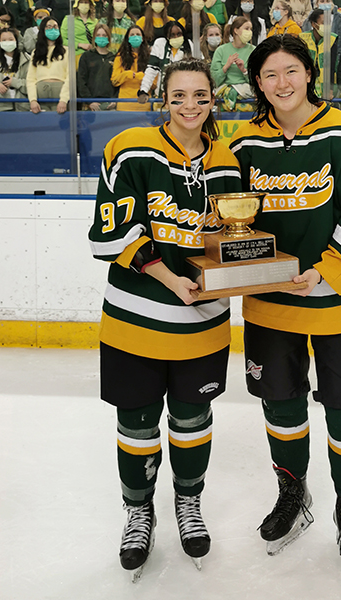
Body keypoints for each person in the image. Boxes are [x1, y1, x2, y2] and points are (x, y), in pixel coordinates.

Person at [229, 33, 341, 582]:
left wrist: (323, 270)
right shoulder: (244, 143)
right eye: (269, 74)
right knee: (281, 405)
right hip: (270, 305)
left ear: (309, 73)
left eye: (291, 71)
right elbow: (228, 221)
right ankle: (292, 496)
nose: (282, 83)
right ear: (256, 82)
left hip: (340, 300)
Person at [88, 57, 241, 579]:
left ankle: (188, 502)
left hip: (204, 322)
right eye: (179, 96)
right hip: (135, 321)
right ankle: (138, 510)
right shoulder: (130, 149)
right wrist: (171, 278)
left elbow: (232, 239)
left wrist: (234, 274)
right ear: (164, 98)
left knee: (191, 422)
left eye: (200, 96)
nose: (190, 105)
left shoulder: (228, 159)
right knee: (136, 425)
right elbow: (109, 235)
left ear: (213, 100)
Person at [138, 20, 192, 101]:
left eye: (179, 34)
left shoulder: (190, 45)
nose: (176, 37)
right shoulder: (160, 44)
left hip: (185, 96)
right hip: (162, 97)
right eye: (172, 35)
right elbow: (151, 70)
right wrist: (143, 90)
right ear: (167, 36)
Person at [26, 16, 70, 113]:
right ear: (42, 30)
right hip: (41, 95)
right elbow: (30, 79)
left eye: (55, 26)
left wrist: (64, 99)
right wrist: (32, 100)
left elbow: (70, 77)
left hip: (60, 93)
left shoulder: (67, 51)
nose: (52, 29)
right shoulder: (35, 52)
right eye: (48, 27)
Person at [0, 26, 30, 111]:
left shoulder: (27, 60)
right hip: (1, 107)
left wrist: (15, 82)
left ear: (16, 40)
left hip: (23, 107)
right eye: (3, 40)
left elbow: (33, 83)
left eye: (11, 39)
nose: (7, 42)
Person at [211, 15, 254, 109]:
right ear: (236, 30)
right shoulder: (220, 51)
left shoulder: (253, 51)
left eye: (251, 29)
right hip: (224, 88)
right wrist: (226, 67)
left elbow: (257, 81)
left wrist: (244, 71)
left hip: (246, 91)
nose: (250, 32)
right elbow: (214, 80)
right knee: (229, 92)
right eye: (246, 28)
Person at [78, 22, 118, 109]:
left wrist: (115, 100)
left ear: (109, 37)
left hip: (110, 104)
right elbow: (81, 81)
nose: (101, 37)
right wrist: (89, 101)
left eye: (104, 35)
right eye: (98, 35)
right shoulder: (86, 56)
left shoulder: (115, 58)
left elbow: (118, 81)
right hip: (90, 104)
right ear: (94, 37)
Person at [299, 8, 337, 98]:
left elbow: (332, 67)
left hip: (325, 85)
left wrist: (330, 90)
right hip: (306, 83)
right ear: (313, 24)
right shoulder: (302, 39)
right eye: (323, 23)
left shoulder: (333, 39)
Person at [111, 25, 151, 109]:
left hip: (144, 106)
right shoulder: (120, 57)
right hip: (124, 105)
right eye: (132, 35)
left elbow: (154, 82)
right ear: (128, 39)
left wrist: (138, 76)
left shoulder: (150, 57)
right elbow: (114, 80)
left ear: (143, 38)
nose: (135, 36)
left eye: (138, 34)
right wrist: (127, 74)